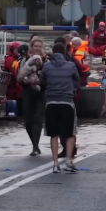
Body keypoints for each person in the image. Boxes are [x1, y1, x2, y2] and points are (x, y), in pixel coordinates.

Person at [40, 43, 79, 173]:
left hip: (51, 103)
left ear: (53, 52)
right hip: (67, 102)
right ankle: (68, 161)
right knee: (70, 134)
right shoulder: (71, 65)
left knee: (54, 134)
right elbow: (76, 79)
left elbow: (42, 81)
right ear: (64, 53)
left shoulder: (46, 66)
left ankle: (55, 163)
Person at [17, 39, 46, 156]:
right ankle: (34, 144)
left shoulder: (46, 61)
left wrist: (39, 82)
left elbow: (49, 78)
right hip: (28, 91)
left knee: (38, 120)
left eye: (40, 46)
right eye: (35, 46)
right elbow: (19, 78)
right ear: (31, 48)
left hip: (41, 92)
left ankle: (35, 147)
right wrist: (27, 81)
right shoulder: (25, 61)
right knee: (28, 120)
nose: (38, 48)